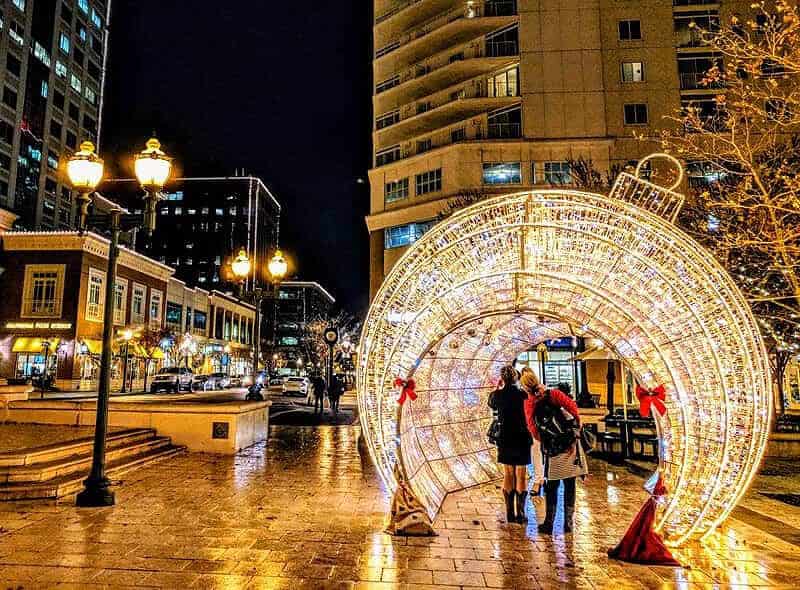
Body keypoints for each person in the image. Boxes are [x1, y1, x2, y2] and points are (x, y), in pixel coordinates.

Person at [521, 371, 588, 535]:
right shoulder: (554, 394)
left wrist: (546, 439)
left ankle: (548, 523)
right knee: (570, 485)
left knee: (552, 486)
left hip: (552, 449)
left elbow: (533, 430)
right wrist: (574, 429)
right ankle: (568, 523)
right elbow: (572, 407)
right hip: (569, 446)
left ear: (525, 388)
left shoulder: (530, 404)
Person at [488, 365, 532, 524]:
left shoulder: (497, 395)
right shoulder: (523, 395)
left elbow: (491, 405)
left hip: (505, 437)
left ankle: (509, 513)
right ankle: (520, 513)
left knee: (508, 473)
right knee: (521, 474)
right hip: (522, 436)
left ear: (503, 378)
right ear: (516, 378)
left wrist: (498, 387)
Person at [520, 368, 545, 495]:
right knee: (538, 454)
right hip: (539, 430)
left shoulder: (530, 397)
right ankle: (540, 479)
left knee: (537, 454)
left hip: (538, 430)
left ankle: (539, 479)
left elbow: (530, 418)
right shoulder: (542, 391)